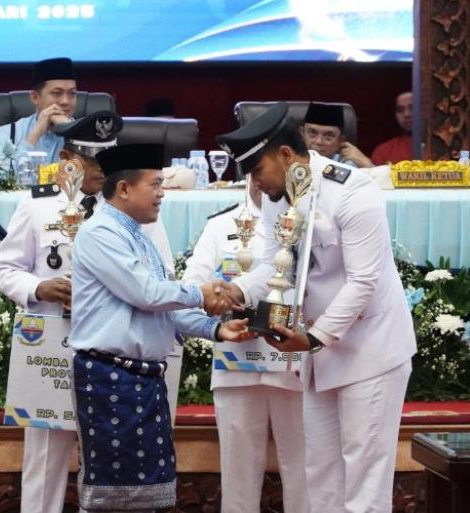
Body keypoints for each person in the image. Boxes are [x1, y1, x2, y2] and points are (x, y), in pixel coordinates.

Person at [215, 102, 417, 513]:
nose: (255, 183)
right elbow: (276, 266)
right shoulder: (279, 196)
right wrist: (235, 291)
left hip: (368, 351)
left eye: (257, 170)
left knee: (364, 483)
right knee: (320, 478)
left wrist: (314, 338)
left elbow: (363, 281)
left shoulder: (353, 190)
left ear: (285, 155)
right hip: (316, 356)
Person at [0, 112, 173, 513]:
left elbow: (164, 277)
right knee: (45, 461)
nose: (102, 168)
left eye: (109, 157)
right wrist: (39, 288)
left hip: (113, 358)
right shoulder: (39, 206)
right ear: (68, 159)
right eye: (93, 159)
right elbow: (4, 269)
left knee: (118, 463)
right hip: (52, 347)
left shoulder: (134, 206)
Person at [67, 143, 249, 513]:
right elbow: (146, 293)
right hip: (109, 378)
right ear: (124, 189)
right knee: (111, 498)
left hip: (141, 378)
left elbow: (162, 307)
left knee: (144, 496)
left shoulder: (139, 236)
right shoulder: (100, 232)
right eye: (155, 184)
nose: (162, 193)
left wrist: (215, 330)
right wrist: (201, 293)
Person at [181, 177, 309, 513]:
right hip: (236, 364)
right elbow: (191, 286)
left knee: (304, 473)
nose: (263, 182)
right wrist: (221, 305)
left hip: (290, 363)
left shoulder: (307, 222)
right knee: (238, 479)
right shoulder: (221, 225)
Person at [0, 57, 78, 169]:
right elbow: (2, 176)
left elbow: (94, 176)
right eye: (57, 93)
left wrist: (72, 131)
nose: (66, 101)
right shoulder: (8, 133)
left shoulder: (88, 135)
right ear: (35, 97)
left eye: (72, 93)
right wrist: (36, 133)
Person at [370, 91, 413, 166]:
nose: (406, 114)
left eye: (412, 108)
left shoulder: (434, 147)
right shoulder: (383, 152)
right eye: (400, 110)